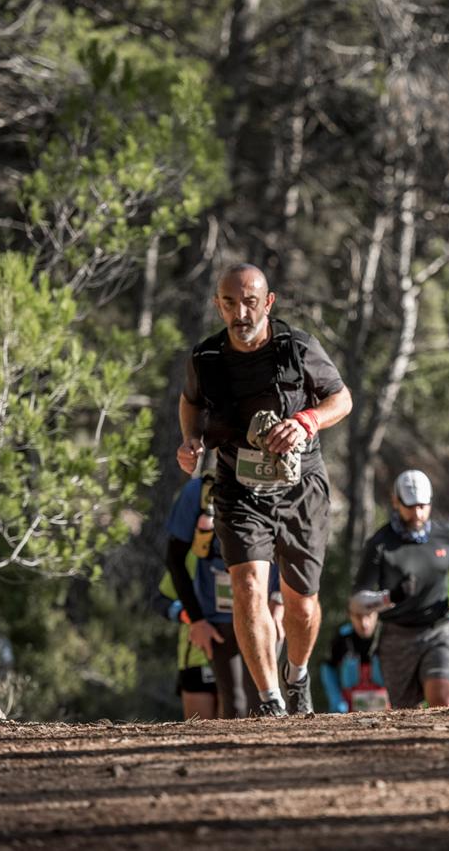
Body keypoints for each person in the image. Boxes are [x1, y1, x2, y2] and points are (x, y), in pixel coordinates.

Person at [177, 264, 353, 718]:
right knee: (248, 585)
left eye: (250, 301)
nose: (241, 312)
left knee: (301, 602)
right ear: (219, 304)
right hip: (238, 484)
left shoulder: (297, 347)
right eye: (230, 303)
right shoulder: (207, 358)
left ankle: (296, 674)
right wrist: (191, 440)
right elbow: (191, 402)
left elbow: (341, 398)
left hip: (300, 484)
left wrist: (307, 421)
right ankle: (270, 698)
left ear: (268, 302)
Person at [351, 470, 449, 709]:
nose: (417, 513)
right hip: (398, 636)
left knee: (441, 697)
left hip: (439, 628)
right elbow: (357, 602)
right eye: (410, 506)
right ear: (396, 502)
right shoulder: (381, 543)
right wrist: (390, 596)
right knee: (405, 709)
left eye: (422, 506)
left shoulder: (446, 535)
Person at [163, 463, 260, 718]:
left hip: (252, 624)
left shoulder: (267, 490)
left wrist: (277, 602)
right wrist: (191, 618)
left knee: (254, 707)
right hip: (203, 645)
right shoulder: (191, 560)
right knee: (226, 714)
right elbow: (161, 598)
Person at [149, 557, 217, 720]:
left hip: (242, 657)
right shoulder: (192, 555)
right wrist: (186, 614)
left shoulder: (248, 548)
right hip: (196, 659)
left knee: (237, 732)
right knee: (200, 734)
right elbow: (161, 600)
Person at [320, 600, 389, 713]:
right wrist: (336, 699)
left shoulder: (388, 636)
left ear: (377, 613)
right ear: (349, 615)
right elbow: (328, 667)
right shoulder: (342, 638)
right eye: (358, 616)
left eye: (368, 615)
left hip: (387, 708)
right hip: (350, 709)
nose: (364, 623)